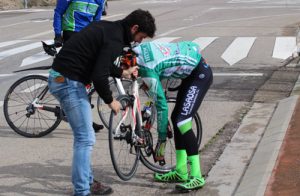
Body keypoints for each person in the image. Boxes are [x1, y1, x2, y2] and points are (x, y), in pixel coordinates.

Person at [48, 9, 156, 196]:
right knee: (85, 138)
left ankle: (87, 182)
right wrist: (110, 100)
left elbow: (101, 62)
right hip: (67, 82)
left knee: (84, 137)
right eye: (141, 36)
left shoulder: (110, 29)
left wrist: (122, 72)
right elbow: (99, 76)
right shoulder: (113, 39)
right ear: (134, 28)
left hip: (65, 79)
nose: (139, 41)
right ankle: (82, 191)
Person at [132, 41, 213, 192]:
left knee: (182, 121)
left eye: (125, 70)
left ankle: (197, 176)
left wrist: (161, 143)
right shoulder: (139, 50)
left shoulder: (146, 69)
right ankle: (181, 172)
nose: (128, 75)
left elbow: (162, 105)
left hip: (199, 76)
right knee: (177, 119)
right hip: (190, 74)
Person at [53, 0, 106, 132]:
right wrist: (58, 34)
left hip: (87, 36)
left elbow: (96, 20)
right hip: (71, 33)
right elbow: (58, 12)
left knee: (87, 79)